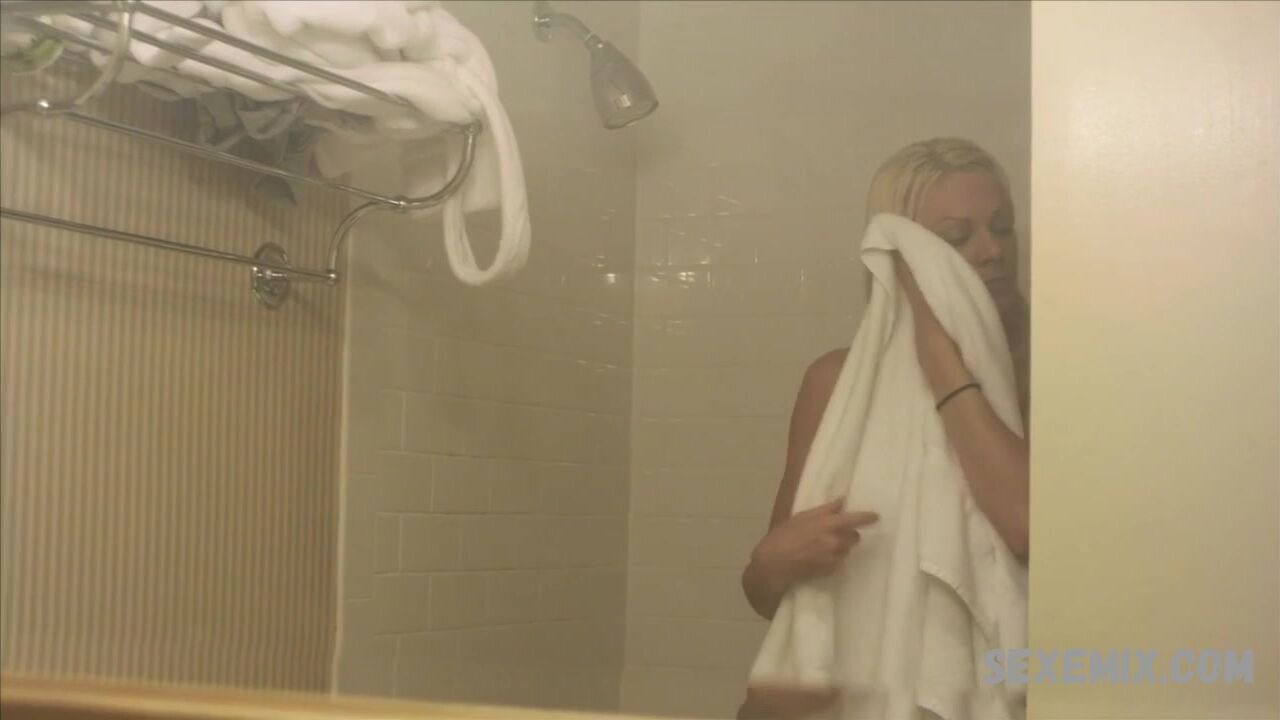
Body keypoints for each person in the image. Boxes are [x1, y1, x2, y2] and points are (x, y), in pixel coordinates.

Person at [737, 138, 1032, 719]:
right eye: (956, 238)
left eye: (1003, 227)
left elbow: (1026, 526)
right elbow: (768, 596)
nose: (992, 251)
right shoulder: (836, 383)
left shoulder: (1054, 374)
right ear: (904, 256)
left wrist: (938, 352)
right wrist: (773, 561)